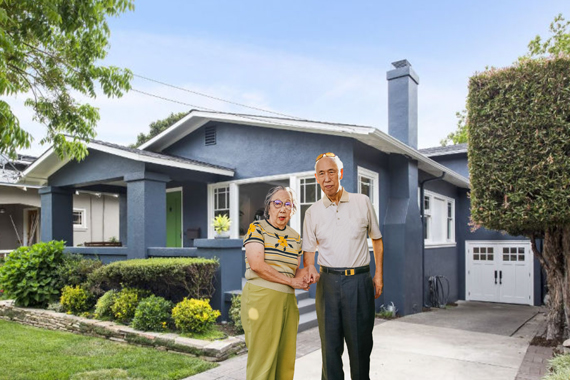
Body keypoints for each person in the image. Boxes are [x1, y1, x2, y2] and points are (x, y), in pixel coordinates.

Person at [303, 152, 384, 380]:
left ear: (340, 173)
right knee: (330, 350)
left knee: (360, 349)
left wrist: (378, 275)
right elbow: (309, 252)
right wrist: (309, 269)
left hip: (358, 282)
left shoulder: (362, 202)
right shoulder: (312, 213)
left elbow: (376, 240)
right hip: (327, 284)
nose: (326, 178)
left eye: (331, 172)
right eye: (321, 174)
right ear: (316, 178)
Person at [241, 185, 310, 380]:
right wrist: (291, 281)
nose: (283, 209)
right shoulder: (257, 228)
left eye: (288, 204)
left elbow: (295, 270)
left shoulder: (295, 237)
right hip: (262, 299)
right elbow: (256, 264)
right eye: (277, 203)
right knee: (262, 361)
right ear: (268, 207)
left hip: (288, 301)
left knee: (285, 361)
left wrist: (308, 276)